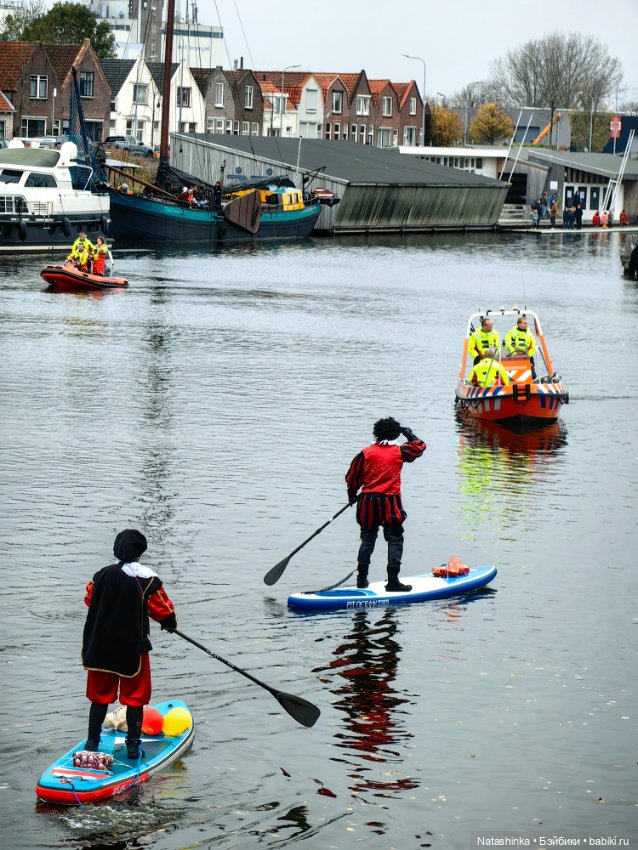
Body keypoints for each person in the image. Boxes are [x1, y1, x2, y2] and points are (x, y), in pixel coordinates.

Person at [81, 529, 177, 759]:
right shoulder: (147, 580)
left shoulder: (101, 575)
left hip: (100, 646)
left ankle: (92, 743)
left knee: (99, 696)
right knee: (135, 696)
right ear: (140, 553)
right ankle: (133, 747)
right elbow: (163, 610)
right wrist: (170, 624)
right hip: (131, 648)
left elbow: (88, 599)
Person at [345, 418, 426, 592]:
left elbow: (353, 477)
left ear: (376, 433)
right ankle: (393, 581)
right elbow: (419, 446)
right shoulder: (400, 451)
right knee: (395, 539)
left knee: (367, 539)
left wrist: (352, 495)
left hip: (367, 502)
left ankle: (362, 579)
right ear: (396, 434)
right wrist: (408, 433)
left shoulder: (365, 453)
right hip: (390, 502)